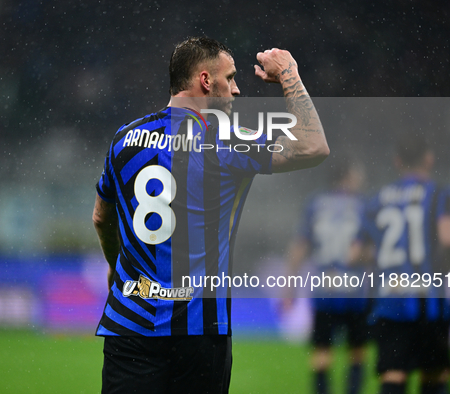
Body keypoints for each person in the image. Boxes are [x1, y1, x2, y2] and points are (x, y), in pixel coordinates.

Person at [92, 36, 329, 393]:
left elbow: (101, 216)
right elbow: (314, 146)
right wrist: (289, 74)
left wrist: (114, 264)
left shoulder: (124, 139)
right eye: (230, 78)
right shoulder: (227, 140)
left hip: (130, 325)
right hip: (199, 331)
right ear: (206, 81)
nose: (235, 91)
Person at [354, 134, 450, 394]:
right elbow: (448, 239)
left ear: (397, 161)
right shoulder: (440, 194)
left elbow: (355, 252)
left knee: (393, 374)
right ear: (429, 158)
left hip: (390, 300)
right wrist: (442, 270)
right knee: (434, 374)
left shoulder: (377, 199)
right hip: (427, 300)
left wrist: (383, 258)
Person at [285, 155, 369, 394]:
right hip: (354, 288)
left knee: (321, 354)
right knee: (357, 353)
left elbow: (300, 246)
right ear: (349, 176)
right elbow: (367, 249)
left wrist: (288, 286)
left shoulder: (316, 203)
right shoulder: (363, 204)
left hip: (325, 287)